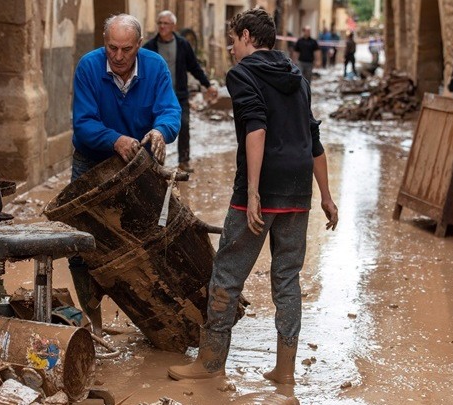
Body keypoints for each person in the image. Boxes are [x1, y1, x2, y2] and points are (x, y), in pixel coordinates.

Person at [167, 8, 338, 384]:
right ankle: (285, 371)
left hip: (261, 187)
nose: (230, 48)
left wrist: (254, 192)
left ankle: (210, 363)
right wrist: (326, 195)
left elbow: (256, 128)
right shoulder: (297, 75)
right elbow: (313, 138)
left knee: (227, 274)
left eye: (232, 40)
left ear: (247, 36)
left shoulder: (242, 74)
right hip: (298, 190)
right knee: (288, 278)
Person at [71, 13, 181, 335]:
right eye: (112, 48)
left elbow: (171, 111)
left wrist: (161, 130)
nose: (118, 57)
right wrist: (114, 139)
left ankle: (154, 321)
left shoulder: (156, 67)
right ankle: (94, 327)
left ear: (139, 45)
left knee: (151, 240)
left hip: (140, 166)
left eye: (126, 49)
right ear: (105, 43)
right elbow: (83, 123)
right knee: (82, 246)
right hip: (91, 162)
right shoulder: (89, 67)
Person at [143, 10, 218, 173]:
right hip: (156, 97)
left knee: (183, 125)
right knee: (154, 128)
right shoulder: (149, 47)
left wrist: (208, 85)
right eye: (160, 23)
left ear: (173, 26)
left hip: (179, 95)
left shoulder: (183, 44)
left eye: (165, 23)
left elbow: (194, 67)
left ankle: (184, 160)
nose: (162, 26)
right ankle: (152, 162)